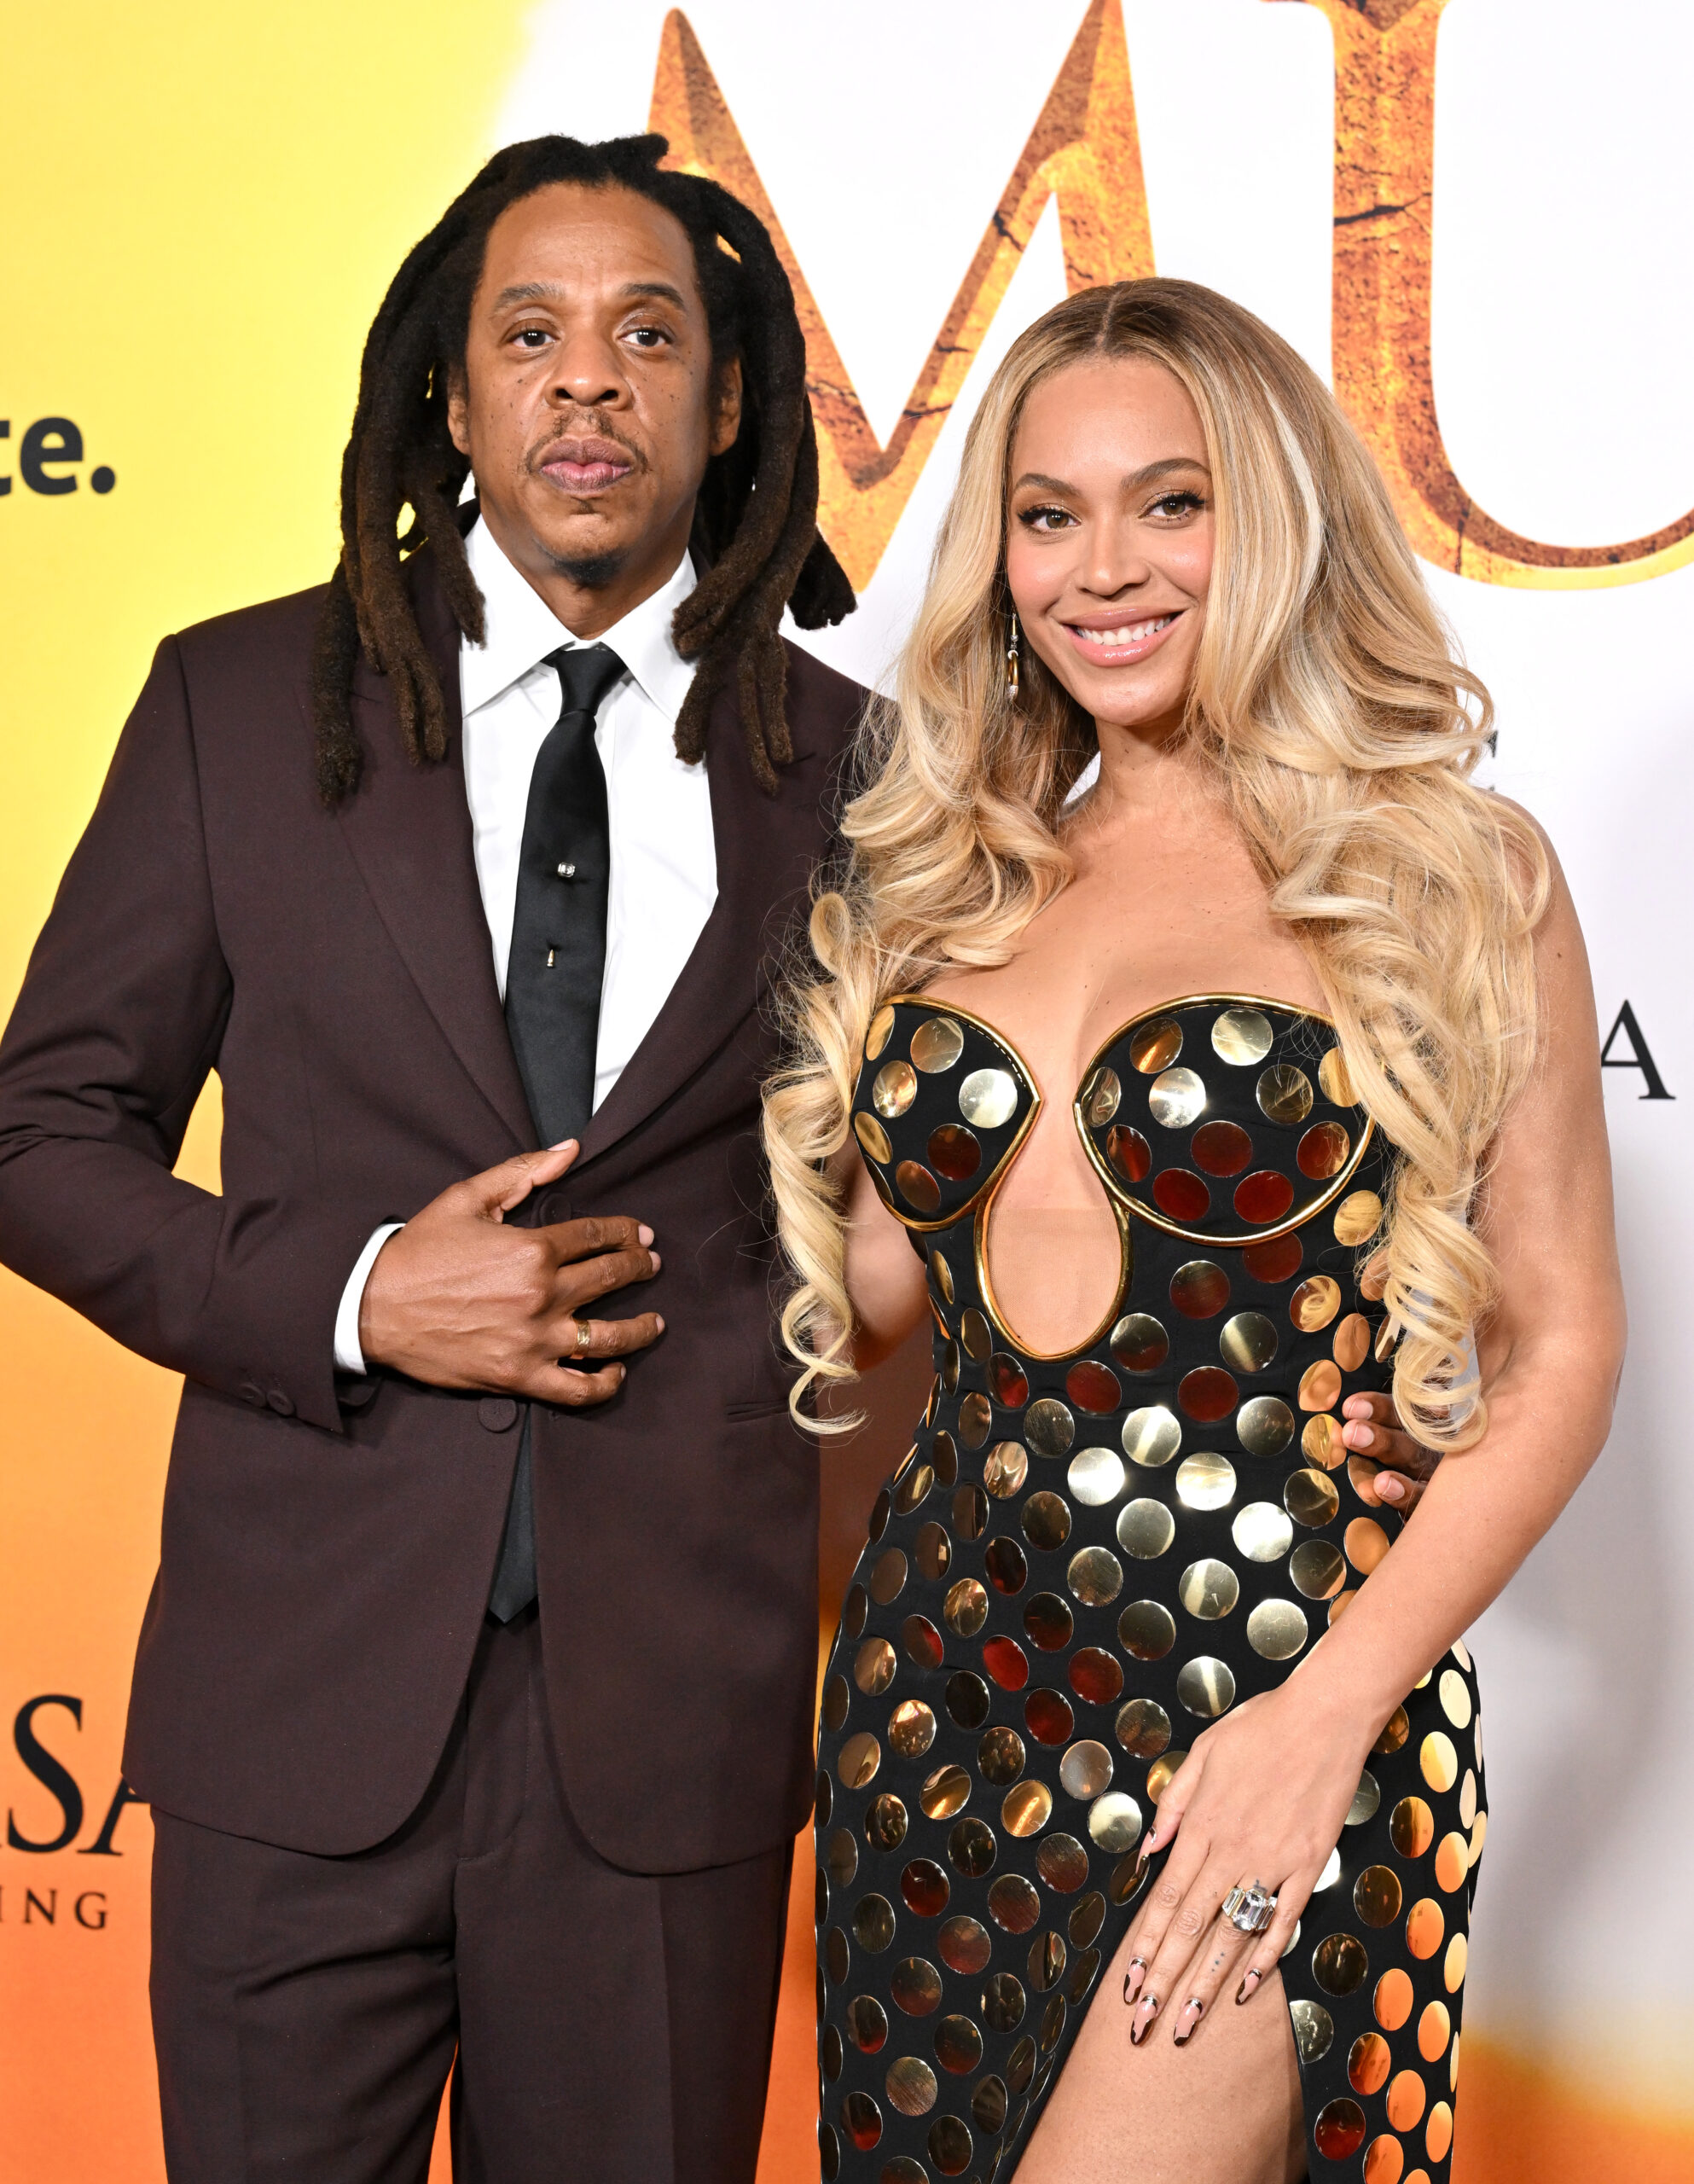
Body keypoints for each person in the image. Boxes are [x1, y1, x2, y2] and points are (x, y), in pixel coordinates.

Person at [0, 134, 862, 2182]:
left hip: (669, 1737)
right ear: (453, 396)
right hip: (292, 1714)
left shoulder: (856, 769)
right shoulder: (233, 705)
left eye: (649, 335)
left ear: (725, 401)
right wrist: (358, 1291)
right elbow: (41, 1129)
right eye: (532, 334)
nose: (590, 381)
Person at [764, 279, 1622, 2184]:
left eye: (1172, 501)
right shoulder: (952, 878)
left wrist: (1332, 1712)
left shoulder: (1452, 870)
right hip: (931, 1708)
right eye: (1048, 514)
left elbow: (1562, 1342)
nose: (1102, 568)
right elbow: (887, 1310)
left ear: (1278, 515)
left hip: (1264, 1695)